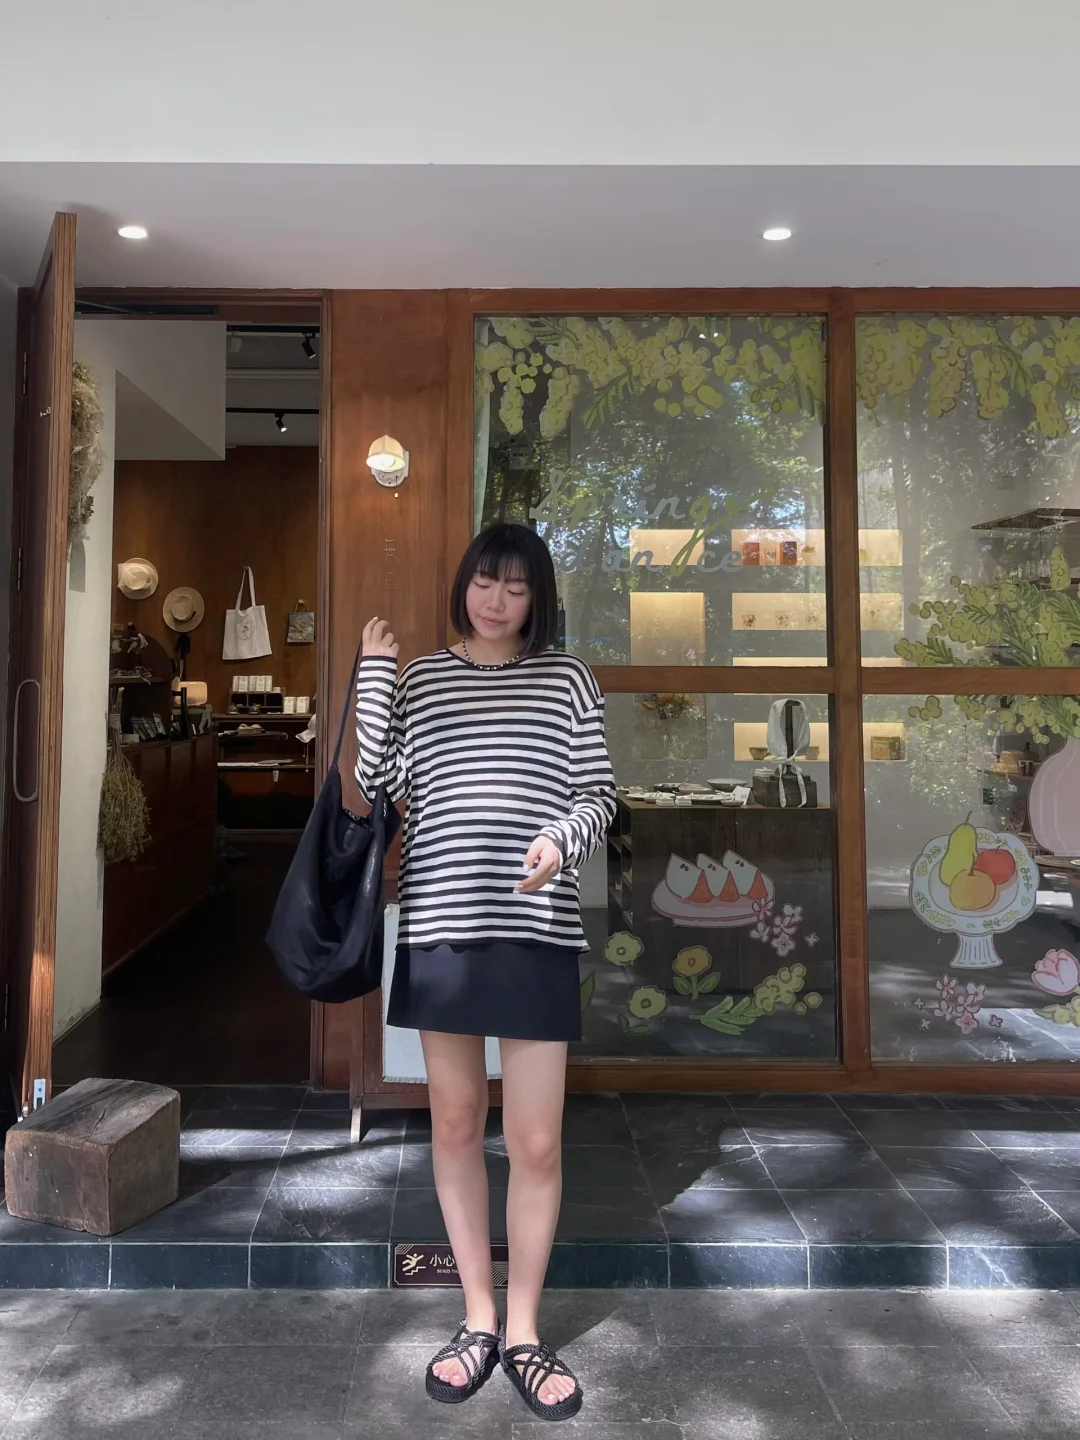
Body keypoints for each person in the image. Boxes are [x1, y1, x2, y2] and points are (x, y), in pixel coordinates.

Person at [355, 522, 616, 1422]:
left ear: (537, 598)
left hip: (537, 931)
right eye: (483, 582)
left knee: (536, 1140)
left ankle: (525, 1332)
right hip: (442, 928)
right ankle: (477, 1317)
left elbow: (598, 795)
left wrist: (561, 840)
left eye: (515, 586)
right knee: (458, 1123)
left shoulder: (568, 678)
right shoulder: (423, 679)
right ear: (463, 583)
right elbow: (375, 781)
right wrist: (374, 677)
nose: (495, 601)